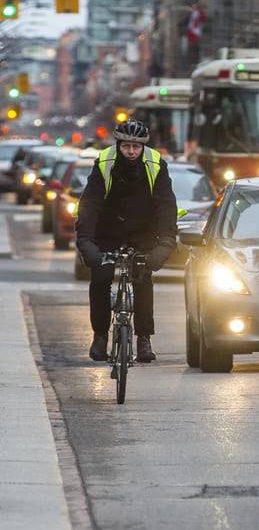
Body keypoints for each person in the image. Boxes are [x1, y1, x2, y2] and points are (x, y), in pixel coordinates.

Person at [76, 120, 178, 363]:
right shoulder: (104, 162)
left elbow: (165, 206)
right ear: (118, 145)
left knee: (142, 280)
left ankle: (144, 338)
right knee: (100, 279)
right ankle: (100, 336)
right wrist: (86, 242)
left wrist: (165, 242)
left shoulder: (156, 164)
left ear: (143, 147)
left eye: (136, 147)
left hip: (142, 231)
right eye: (126, 147)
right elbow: (90, 204)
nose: (131, 151)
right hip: (107, 230)